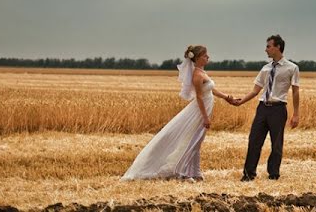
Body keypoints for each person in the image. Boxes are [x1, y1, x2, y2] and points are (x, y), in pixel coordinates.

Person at [122, 45, 236, 181]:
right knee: (193, 141)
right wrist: (205, 117)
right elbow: (199, 97)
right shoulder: (197, 75)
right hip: (199, 111)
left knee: (197, 141)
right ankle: (183, 172)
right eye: (205, 56)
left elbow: (211, 90)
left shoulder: (202, 72)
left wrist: (227, 97)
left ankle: (195, 172)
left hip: (205, 108)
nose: (208, 57)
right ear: (198, 58)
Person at [231, 34, 300, 181]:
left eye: (269, 46)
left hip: (278, 109)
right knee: (254, 140)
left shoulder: (292, 68)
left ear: (278, 47)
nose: (266, 49)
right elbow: (255, 91)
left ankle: (273, 174)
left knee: (276, 143)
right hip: (262, 108)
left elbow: (295, 91)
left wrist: (296, 114)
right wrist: (240, 101)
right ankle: (248, 174)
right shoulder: (265, 69)